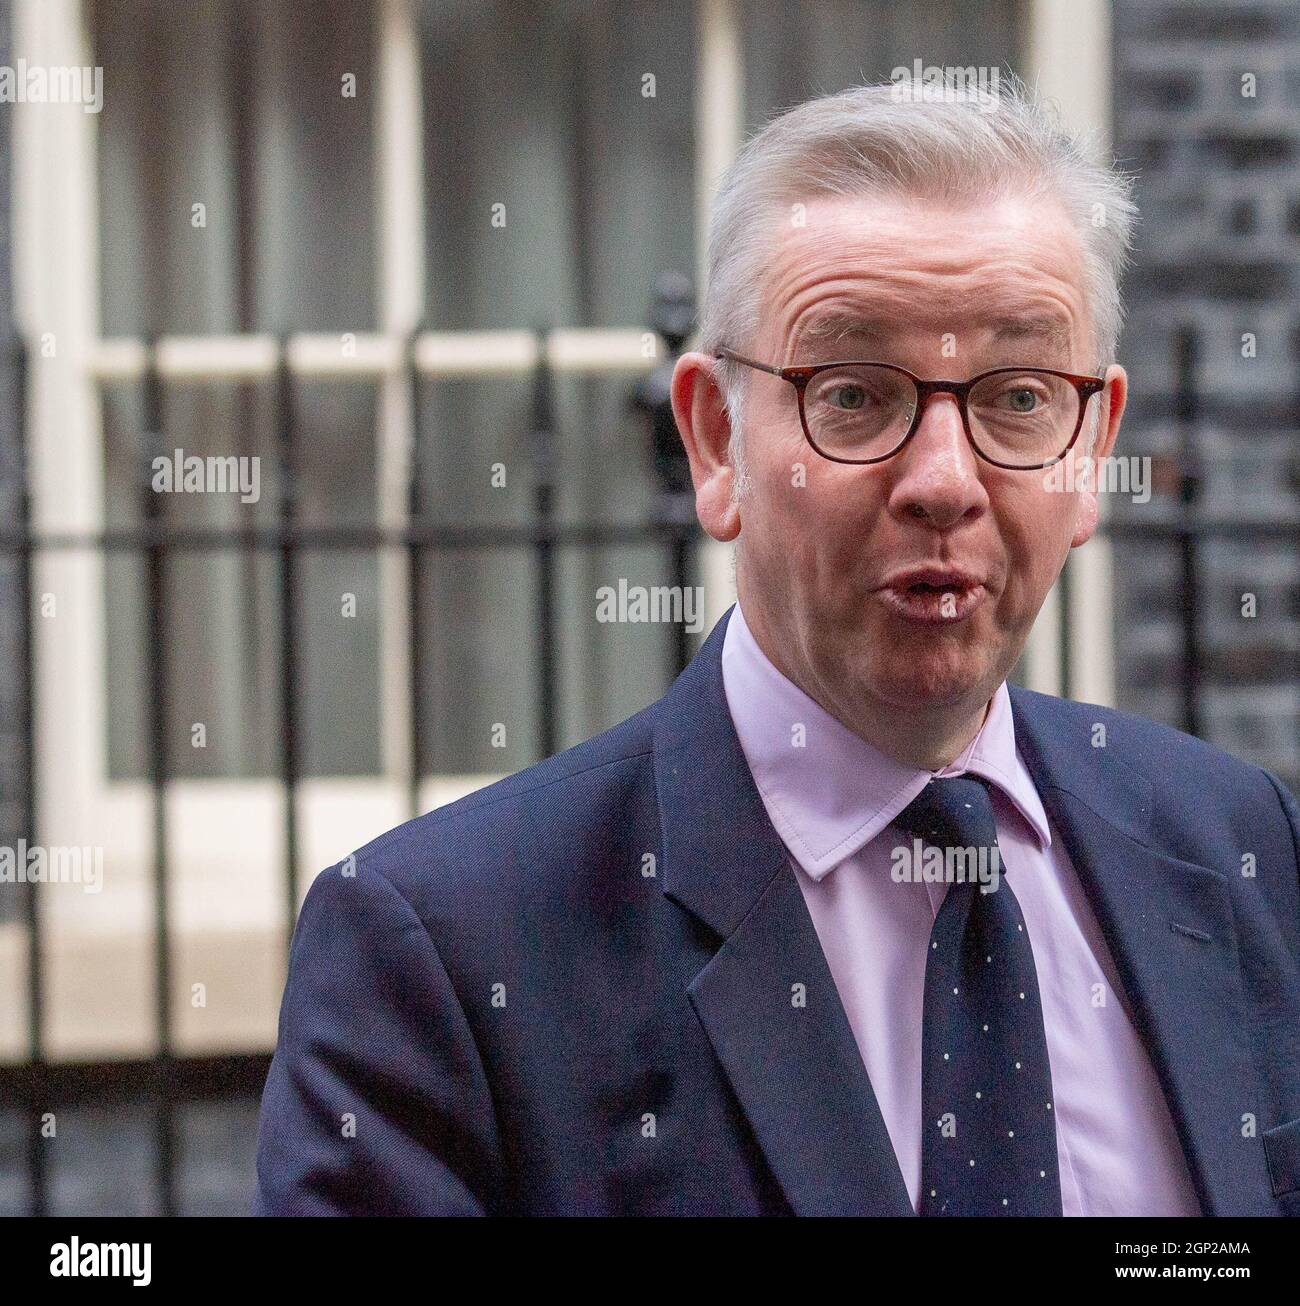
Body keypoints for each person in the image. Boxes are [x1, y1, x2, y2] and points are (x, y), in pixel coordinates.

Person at [252, 79, 1300, 1216]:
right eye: (850, 394)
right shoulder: (443, 956)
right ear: (713, 441)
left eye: (1016, 394)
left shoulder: (1239, 844)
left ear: (1092, 446)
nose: (944, 479)